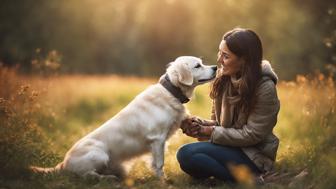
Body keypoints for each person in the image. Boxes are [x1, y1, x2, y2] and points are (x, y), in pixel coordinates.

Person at [176, 28, 280, 184]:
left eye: (226, 56)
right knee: (188, 158)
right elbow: (219, 124)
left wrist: (210, 132)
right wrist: (200, 125)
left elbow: (252, 134)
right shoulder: (223, 78)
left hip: (253, 155)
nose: (219, 60)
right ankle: (235, 177)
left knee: (187, 154)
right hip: (229, 147)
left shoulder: (265, 88)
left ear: (244, 59)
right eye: (220, 53)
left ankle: (252, 180)